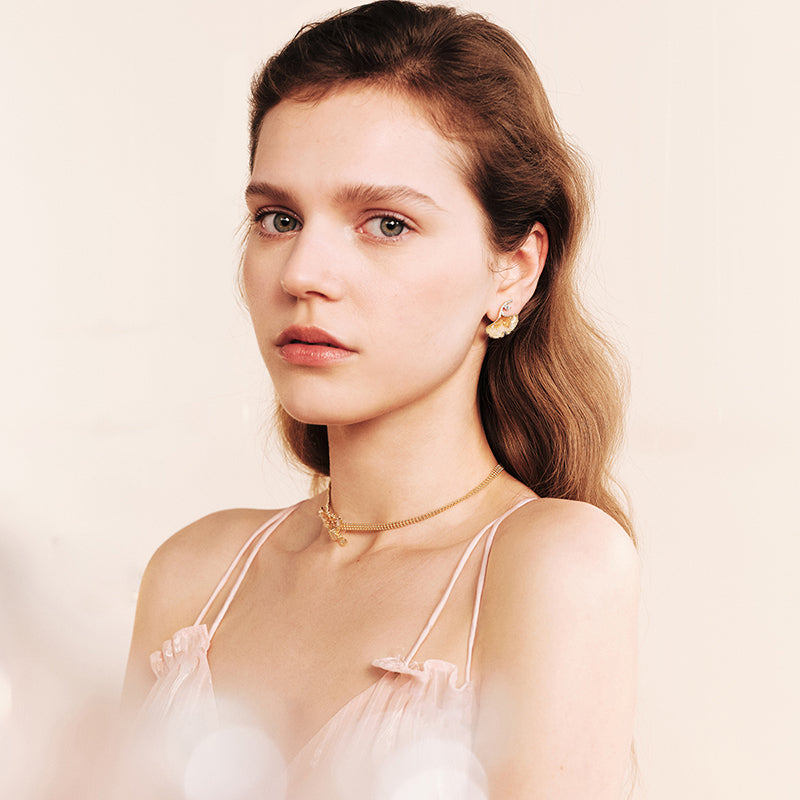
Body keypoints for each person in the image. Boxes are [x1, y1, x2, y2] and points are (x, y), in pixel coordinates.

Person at [122, 2, 639, 797]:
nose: (302, 273)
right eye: (278, 218)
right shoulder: (194, 577)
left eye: (387, 224)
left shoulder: (551, 564)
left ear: (514, 270)